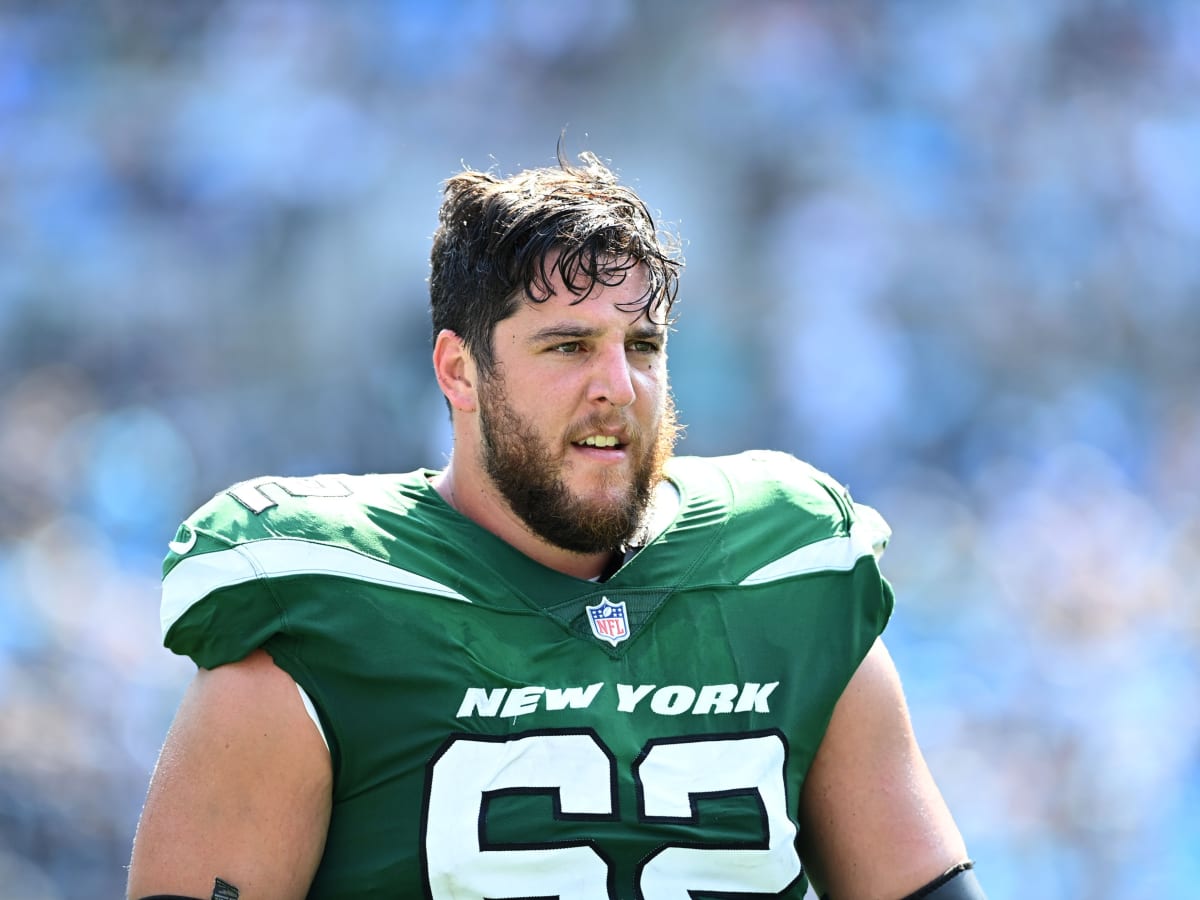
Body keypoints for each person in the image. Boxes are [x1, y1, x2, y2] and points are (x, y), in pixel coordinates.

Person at [127, 150, 987, 900]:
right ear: (460, 372)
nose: (618, 384)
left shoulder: (787, 573)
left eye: (642, 346)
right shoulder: (320, 605)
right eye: (569, 347)